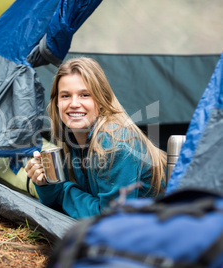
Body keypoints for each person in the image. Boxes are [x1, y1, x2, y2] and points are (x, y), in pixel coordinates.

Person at [25, 57, 166, 219]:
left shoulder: (114, 143)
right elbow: (58, 204)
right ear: (57, 102)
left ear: (101, 100)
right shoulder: (71, 139)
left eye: (85, 95)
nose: (74, 103)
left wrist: (63, 191)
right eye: (65, 96)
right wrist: (45, 184)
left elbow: (112, 219)